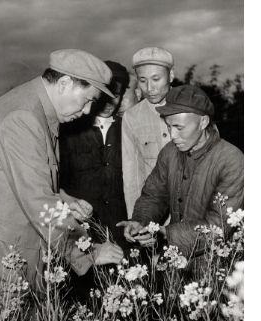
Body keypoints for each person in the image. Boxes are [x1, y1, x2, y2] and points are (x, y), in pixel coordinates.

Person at [0, 49, 124, 321]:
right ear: (65, 83)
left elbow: (26, 179)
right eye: (88, 99)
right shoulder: (24, 117)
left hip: (4, 245)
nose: (88, 111)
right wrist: (86, 251)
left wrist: (65, 200)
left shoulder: (34, 108)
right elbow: (38, 200)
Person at [117, 85, 244, 262]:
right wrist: (141, 221)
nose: (172, 135)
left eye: (179, 127)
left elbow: (218, 226)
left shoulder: (232, 160)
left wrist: (165, 234)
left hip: (217, 266)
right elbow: (154, 195)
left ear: (203, 122)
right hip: (176, 263)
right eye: (169, 127)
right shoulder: (169, 152)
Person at [59, 61, 130, 301]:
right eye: (105, 95)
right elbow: (52, 184)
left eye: (117, 95)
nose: (111, 102)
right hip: (81, 237)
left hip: (123, 236)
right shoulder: (68, 129)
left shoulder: (129, 129)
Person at [121, 47, 175, 219]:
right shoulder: (131, 117)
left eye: (156, 79)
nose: (150, 88)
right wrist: (137, 221)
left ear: (171, 76)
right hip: (154, 216)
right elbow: (132, 176)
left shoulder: (193, 107)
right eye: (143, 81)